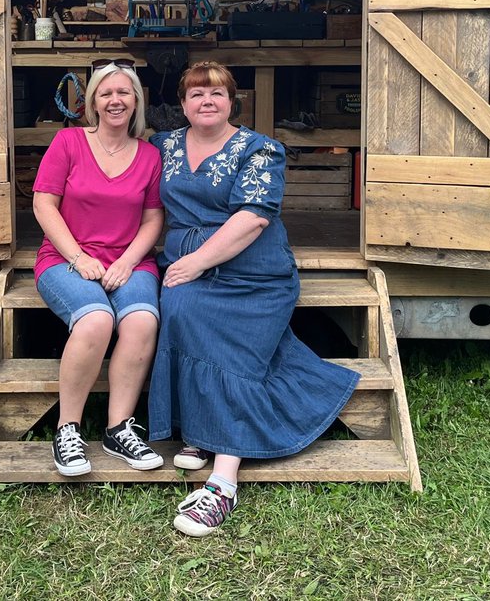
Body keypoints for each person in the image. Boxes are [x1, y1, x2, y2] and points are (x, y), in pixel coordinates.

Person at [149, 61, 360, 536]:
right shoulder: (162, 146)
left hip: (253, 272)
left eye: (217, 93)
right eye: (197, 94)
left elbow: (254, 218)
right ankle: (199, 434)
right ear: (182, 104)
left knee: (226, 342)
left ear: (231, 101)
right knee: (179, 309)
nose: (207, 101)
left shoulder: (260, 149)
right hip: (188, 266)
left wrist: (199, 262)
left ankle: (223, 480)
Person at [32, 59, 166, 476]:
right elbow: (43, 203)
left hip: (130, 260)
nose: (115, 100)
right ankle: (68, 429)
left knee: (143, 321)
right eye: (106, 93)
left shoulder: (149, 155)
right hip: (66, 258)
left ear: (136, 102)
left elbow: (153, 218)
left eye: (124, 92)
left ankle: (117, 428)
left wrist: (127, 262)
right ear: (92, 102)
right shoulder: (68, 142)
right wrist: (77, 256)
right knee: (95, 321)